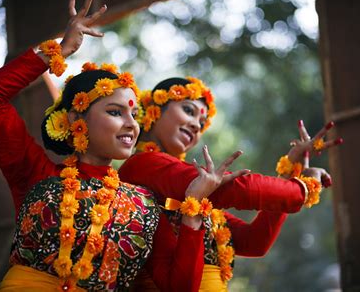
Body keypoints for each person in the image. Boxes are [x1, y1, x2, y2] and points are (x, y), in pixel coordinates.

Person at [0, 0, 242, 291]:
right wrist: (58, 53)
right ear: (76, 121)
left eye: (135, 116)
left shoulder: (145, 204)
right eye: (115, 112)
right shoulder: (35, 173)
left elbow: (179, 286)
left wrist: (193, 211)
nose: (131, 125)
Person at [118, 77, 342, 289]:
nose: (197, 125)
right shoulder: (143, 164)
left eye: (202, 122)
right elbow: (233, 188)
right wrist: (301, 188)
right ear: (153, 112)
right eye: (188, 110)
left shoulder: (192, 194)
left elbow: (255, 241)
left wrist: (290, 173)